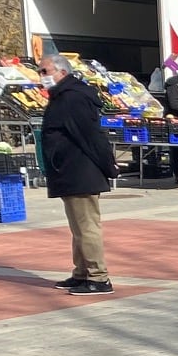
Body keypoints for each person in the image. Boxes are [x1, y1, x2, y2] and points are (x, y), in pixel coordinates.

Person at [37, 53, 121, 294]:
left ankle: (98, 277)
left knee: (87, 227)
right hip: (69, 170)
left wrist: (109, 165)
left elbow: (91, 135)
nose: (41, 76)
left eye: (45, 71)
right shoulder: (62, 96)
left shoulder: (73, 98)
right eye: (40, 71)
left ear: (62, 72)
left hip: (80, 171)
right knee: (78, 228)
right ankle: (82, 272)